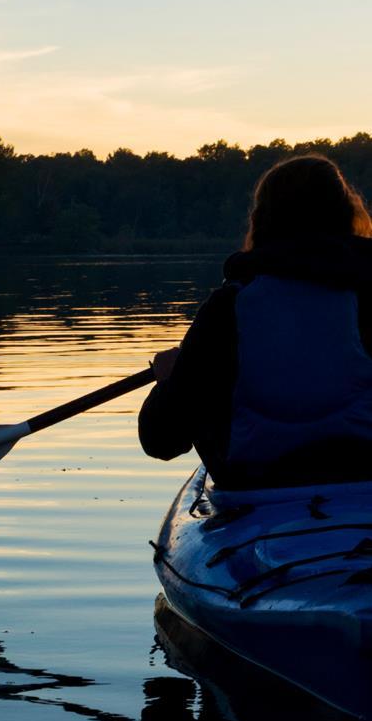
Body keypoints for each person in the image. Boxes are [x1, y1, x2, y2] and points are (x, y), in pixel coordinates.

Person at [139, 154, 372, 489]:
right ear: (347, 213)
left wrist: (169, 382)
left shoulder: (229, 307)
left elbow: (162, 440)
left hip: (256, 487)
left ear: (262, 219)